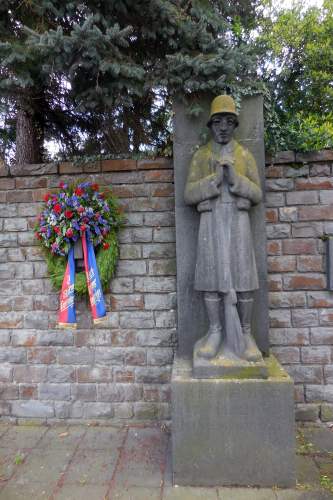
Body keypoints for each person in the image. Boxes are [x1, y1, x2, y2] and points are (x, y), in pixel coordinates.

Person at [184, 95, 263, 362]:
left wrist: (235, 179)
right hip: (211, 222)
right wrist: (214, 181)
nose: (223, 127)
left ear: (235, 124)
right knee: (211, 278)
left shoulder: (244, 154)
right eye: (218, 122)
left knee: (243, 279)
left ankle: (246, 332)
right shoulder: (201, 156)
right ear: (210, 125)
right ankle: (215, 331)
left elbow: (257, 193)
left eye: (229, 121)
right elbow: (189, 194)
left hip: (238, 223)